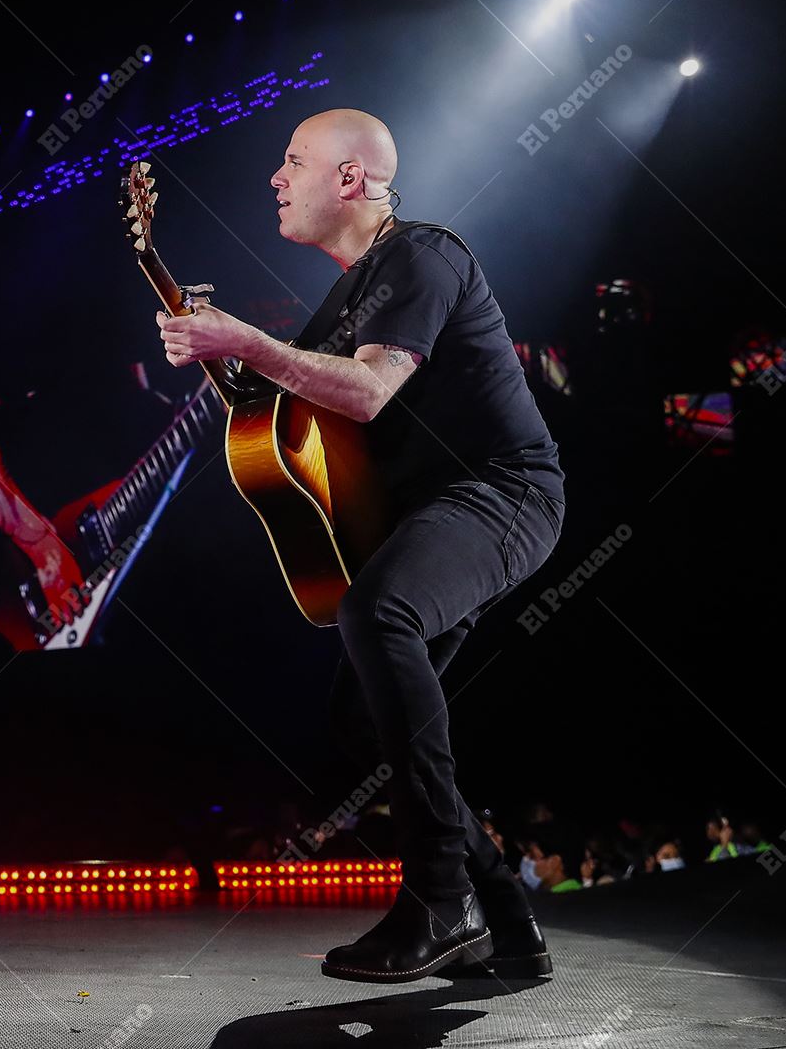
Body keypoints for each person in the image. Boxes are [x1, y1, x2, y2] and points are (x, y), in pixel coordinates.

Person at [156, 109, 565, 983]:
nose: (275, 177)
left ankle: (439, 897)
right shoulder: (342, 300)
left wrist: (249, 343)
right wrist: (218, 353)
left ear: (350, 180)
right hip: (426, 515)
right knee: (357, 716)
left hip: (503, 493)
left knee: (378, 613)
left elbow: (371, 392)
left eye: (293, 161)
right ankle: (506, 917)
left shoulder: (423, 253)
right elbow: (286, 407)